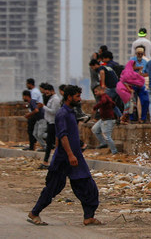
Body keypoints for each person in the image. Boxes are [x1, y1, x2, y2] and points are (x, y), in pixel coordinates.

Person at [27, 85, 101, 226]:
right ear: (69, 97)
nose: (80, 99)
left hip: (75, 157)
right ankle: (34, 213)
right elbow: (62, 136)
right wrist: (69, 154)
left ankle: (89, 216)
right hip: (65, 158)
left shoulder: (71, 112)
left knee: (87, 186)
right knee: (53, 187)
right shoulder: (62, 114)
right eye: (77, 96)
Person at [91, 86, 118, 154]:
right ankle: (103, 143)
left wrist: (95, 107)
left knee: (107, 137)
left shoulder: (104, 96)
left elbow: (104, 101)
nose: (95, 93)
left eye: (96, 91)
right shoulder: (105, 97)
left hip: (108, 120)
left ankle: (114, 151)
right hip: (103, 119)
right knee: (95, 129)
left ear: (101, 91)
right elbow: (113, 104)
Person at [41, 84, 63, 169]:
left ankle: (46, 161)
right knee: (51, 143)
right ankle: (47, 161)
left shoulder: (56, 99)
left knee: (50, 143)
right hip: (50, 122)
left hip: (53, 123)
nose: (45, 94)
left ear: (51, 91)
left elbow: (54, 111)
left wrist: (43, 107)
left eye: (46, 92)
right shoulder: (51, 98)